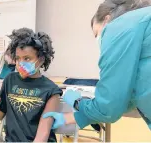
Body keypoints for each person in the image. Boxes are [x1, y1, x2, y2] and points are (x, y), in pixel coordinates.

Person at [43, 0, 151, 131]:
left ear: (107, 19)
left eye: (97, 34)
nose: (99, 40)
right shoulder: (143, 23)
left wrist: (78, 103)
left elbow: (109, 107)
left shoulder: (119, 28)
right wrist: (75, 117)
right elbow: (125, 100)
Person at [0, 27, 63, 142]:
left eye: (27, 58)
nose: (21, 63)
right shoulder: (10, 80)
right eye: (18, 58)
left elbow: (42, 134)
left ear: (40, 59)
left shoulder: (51, 91)